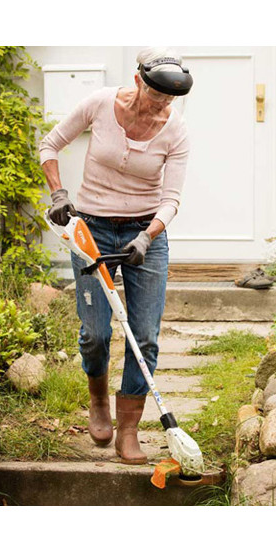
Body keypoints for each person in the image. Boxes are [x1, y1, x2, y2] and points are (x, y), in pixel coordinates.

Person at [38, 48, 192, 464]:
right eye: (157, 95)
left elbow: (171, 200)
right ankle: (99, 401)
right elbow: (50, 145)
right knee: (95, 333)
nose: (162, 105)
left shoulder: (175, 131)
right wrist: (58, 194)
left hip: (145, 234)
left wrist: (147, 236)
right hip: (92, 229)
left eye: (170, 100)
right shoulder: (100, 104)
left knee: (145, 336)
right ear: (139, 80)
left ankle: (129, 430)